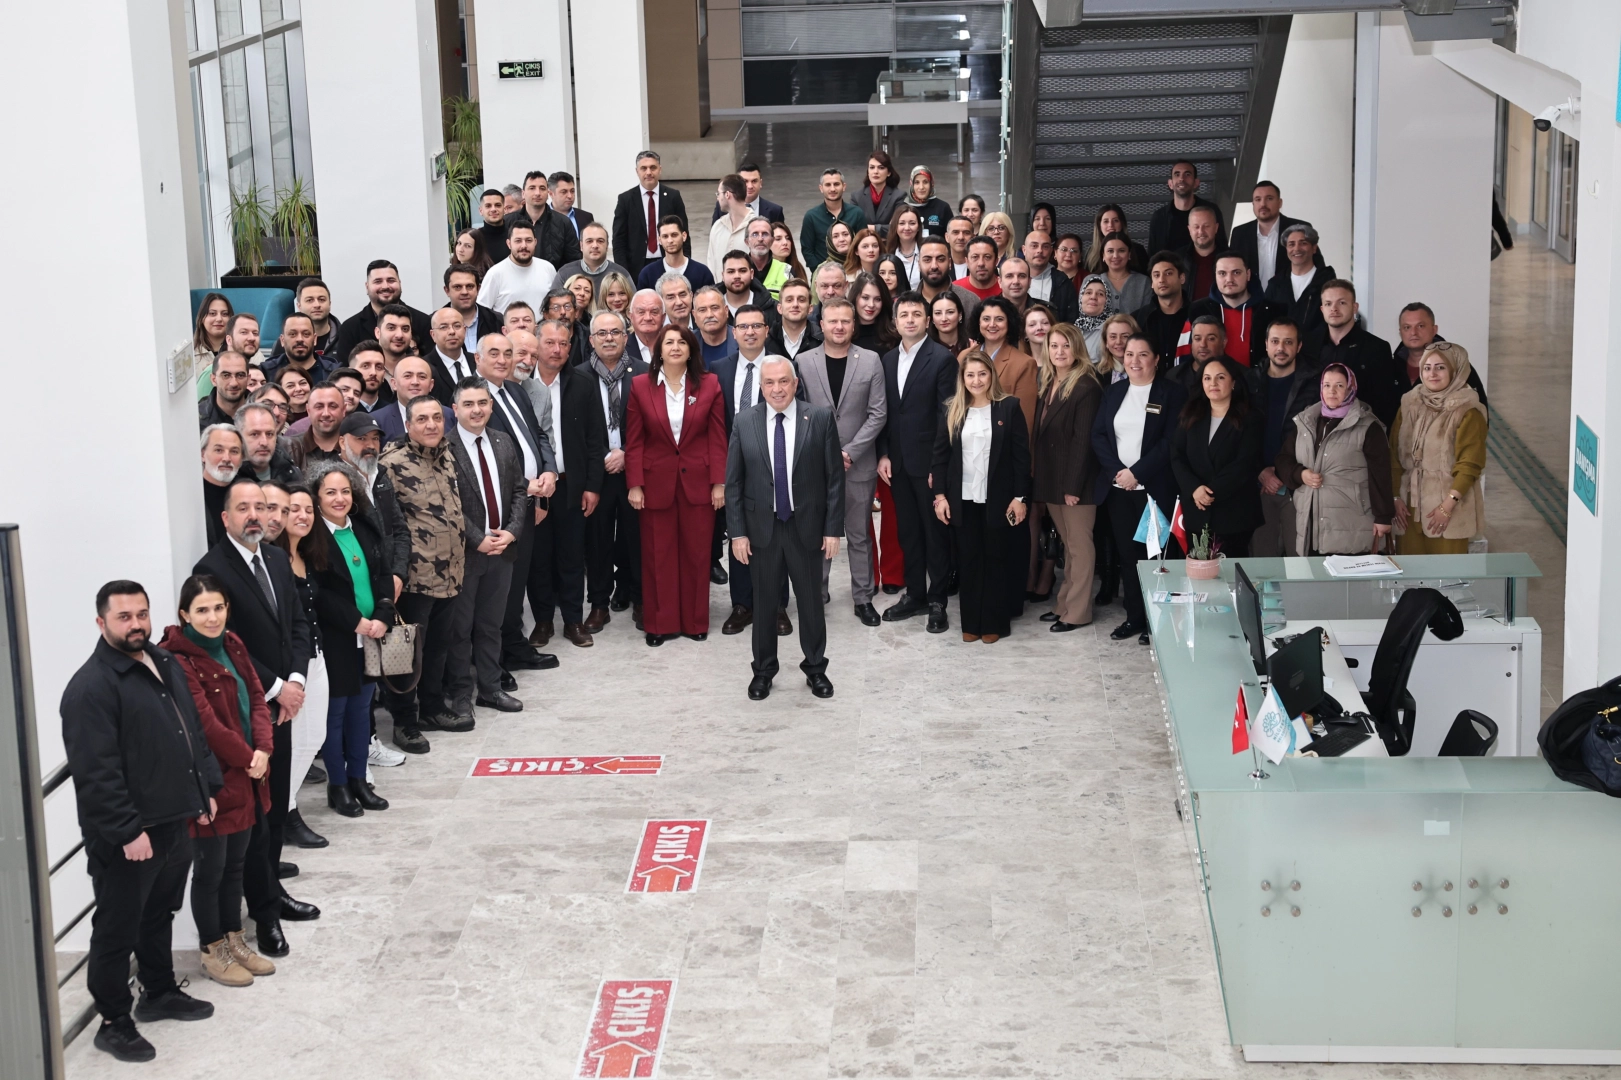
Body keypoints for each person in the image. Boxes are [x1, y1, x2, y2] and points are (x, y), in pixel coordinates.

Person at [62, 581, 223, 1062]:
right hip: (129, 835)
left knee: (158, 914)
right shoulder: (90, 688)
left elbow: (191, 731)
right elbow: (96, 772)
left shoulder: (162, 661)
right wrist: (128, 830)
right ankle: (113, 1022)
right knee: (117, 929)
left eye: (142, 614)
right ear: (101, 623)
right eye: (124, 617)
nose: (136, 624)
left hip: (173, 818)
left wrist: (205, 789)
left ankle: (158, 991)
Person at [191, 477, 318, 953]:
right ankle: (263, 916)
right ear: (226, 518)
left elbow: (298, 624)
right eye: (243, 508)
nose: (254, 516)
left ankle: (272, 891)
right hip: (245, 708)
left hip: (283, 702)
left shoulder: (278, 559)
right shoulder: (213, 568)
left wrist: (296, 681)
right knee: (256, 818)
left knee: (277, 806)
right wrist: (277, 688)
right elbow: (227, 643)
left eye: (261, 507)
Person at [159, 576, 276, 988]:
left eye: (218, 608)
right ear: (184, 615)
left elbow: (257, 697)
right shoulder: (177, 660)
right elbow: (204, 724)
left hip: (248, 774)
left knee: (235, 866)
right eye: (202, 610)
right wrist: (249, 758)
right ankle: (213, 949)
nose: (212, 618)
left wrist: (264, 749)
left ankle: (234, 939)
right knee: (211, 870)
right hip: (213, 780)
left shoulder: (233, 644)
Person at [726, 358, 844, 699]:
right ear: (761, 387)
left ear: (795, 383)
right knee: (764, 605)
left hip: (805, 528)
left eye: (783, 381)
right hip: (761, 530)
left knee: (810, 603)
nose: (777, 389)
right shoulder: (744, 421)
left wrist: (832, 529)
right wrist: (737, 533)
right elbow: (734, 483)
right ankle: (763, 672)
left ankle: (816, 669)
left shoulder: (819, 418)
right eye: (769, 383)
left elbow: (834, 479)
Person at [625, 324, 727, 644]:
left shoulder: (709, 384)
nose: (675, 347)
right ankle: (660, 624)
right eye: (668, 342)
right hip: (654, 483)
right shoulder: (640, 385)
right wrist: (635, 484)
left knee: (697, 555)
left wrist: (719, 483)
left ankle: (695, 622)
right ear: (659, 350)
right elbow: (634, 441)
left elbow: (717, 438)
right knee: (658, 556)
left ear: (691, 350)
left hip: (699, 482)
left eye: (682, 342)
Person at [302, 461, 393, 815]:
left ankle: (359, 780)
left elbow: (382, 574)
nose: (339, 499)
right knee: (335, 715)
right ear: (316, 497)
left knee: (362, 712)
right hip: (338, 638)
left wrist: (382, 615)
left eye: (344, 491)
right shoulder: (312, 537)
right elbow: (319, 593)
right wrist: (356, 621)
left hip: (372, 635)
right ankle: (337, 785)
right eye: (330, 492)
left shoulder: (364, 528)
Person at [375, 395, 466, 748]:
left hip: (450, 573)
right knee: (405, 654)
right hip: (413, 578)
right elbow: (389, 527)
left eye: (436, 418)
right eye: (422, 419)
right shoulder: (391, 463)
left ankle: (431, 708)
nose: (431, 425)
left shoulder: (447, 455)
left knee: (438, 648)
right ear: (408, 425)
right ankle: (404, 722)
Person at [797, 297, 887, 623]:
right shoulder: (803, 361)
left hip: (858, 464)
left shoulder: (871, 360)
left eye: (845, 321)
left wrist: (849, 452)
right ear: (821, 325)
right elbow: (799, 413)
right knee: (818, 534)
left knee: (859, 535)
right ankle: (816, 593)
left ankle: (863, 598)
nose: (839, 327)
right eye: (832, 321)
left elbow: (878, 414)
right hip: (816, 466)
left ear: (853, 325)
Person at [1091, 334, 1186, 642]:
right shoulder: (1114, 391)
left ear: (1156, 359)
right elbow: (1099, 435)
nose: (1134, 360)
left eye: (1143, 354)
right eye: (1130, 354)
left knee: (1155, 558)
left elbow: (1170, 442)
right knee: (1128, 555)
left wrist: (1137, 473)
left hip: (1154, 490)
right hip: (1119, 490)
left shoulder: (1172, 393)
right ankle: (1134, 617)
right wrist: (1118, 473)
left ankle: (1156, 622)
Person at [444, 376, 529, 718]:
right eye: (468, 404)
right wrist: (477, 539)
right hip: (465, 555)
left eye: (482, 403)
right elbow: (447, 503)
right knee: (460, 629)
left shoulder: (503, 441)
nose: (476, 410)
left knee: (491, 625)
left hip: (502, 551)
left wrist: (512, 532)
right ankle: (461, 694)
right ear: (455, 409)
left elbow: (519, 490)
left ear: (491, 406)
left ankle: (491, 689)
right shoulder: (445, 448)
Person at [932, 351, 1031, 643]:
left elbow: (1021, 458)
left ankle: (994, 624)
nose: (976, 380)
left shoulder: (1009, 407)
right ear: (962, 379)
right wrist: (940, 496)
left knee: (996, 559)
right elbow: (940, 456)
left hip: (999, 499)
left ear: (992, 375)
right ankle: (971, 623)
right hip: (962, 499)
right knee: (968, 560)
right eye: (970, 375)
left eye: (982, 374)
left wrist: (1020, 497)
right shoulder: (952, 408)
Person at [711, 307, 796, 636]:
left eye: (756, 326)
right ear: (733, 333)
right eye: (742, 326)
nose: (749, 332)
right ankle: (742, 604)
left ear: (766, 330)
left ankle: (777, 605)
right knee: (739, 530)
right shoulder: (719, 369)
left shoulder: (781, 367)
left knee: (777, 533)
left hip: (774, 461)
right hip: (733, 463)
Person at [523, 320, 608, 648]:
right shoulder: (520, 385)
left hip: (571, 485)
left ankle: (573, 620)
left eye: (563, 344)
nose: (557, 350)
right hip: (534, 488)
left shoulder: (583, 384)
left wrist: (592, 486)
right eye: (550, 343)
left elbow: (595, 440)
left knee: (572, 556)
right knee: (538, 558)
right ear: (537, 345)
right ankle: (543, 621)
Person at [878, 291, 959, 631]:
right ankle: (915, 595)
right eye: (904, 315)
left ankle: (938, 600)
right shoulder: (886, 360)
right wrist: (883, 453)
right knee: (908, 532)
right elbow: (884, 412)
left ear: (927, 321)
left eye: (916, 314)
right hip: (897, 463)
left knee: (935, 534)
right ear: (895, 322)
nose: (909, 320)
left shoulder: (942, 359)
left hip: (928, 465)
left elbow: (946, 417)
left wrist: (937, 468)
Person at [270, 486, 342, 845]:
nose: (302, 516)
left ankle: (284, 807)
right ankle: (285, 812)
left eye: (308, 510)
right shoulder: (273, 560)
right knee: (295, 742)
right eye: (293, 509)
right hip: (290, 666)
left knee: (315, 737)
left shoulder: (309, 554)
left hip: (316, 655)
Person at [1278, 363, 1393, 556]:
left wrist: (1383, 516)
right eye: (1327, 385)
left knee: (1348, 575)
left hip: (1351, 525)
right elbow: (1283, 459)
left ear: (1350, 388)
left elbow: (1380, 473)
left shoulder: (1368, 426)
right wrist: (1301, 474)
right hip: (1311, 524)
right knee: (1316, 574)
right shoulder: (1306, 422)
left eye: (1339, 385)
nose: (1332, 391)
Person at [1032, 324, 1104, 631]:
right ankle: (1064, 605)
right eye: (1054, 346)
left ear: (1077, 348)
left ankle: (1078, 612)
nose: (1059, 352)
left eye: (1066, 345)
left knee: (1079, 548)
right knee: (1068, 544)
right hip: (1052, 478)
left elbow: (1083, 441)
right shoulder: (1049, 380)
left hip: (1077, 484)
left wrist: (1073, 486)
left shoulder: (1086, 385)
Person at [582, 311, 649, 629]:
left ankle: (640, 598)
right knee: (597, 541)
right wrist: (602, 459)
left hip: (636, 471)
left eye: (615, 332)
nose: (608, 338)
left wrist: (627, 454)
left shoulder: (645, 373)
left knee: (637, 538)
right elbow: (576, 431)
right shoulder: (578, 376)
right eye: (602, 333)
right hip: (597, 474)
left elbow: (654, 425)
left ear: (626, 336)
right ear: (591, 340)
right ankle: (598, 603)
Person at [1390, 342, 1487, 555]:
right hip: (1408, 510)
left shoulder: (1468, 411)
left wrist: (1447, 506)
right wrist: (1396, 497)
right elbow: (1393, 456)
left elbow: (1470, 465)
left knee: (1448, 573)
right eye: (1427, 367)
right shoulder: (1409, 404)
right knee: (1411, 572)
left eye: (1440, 367)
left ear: (1456, 371)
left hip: (1449, 509)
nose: (1432, 374)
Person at [1172, 355, 1264, 557]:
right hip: (1195, 509)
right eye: (1207, 378)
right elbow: (1177, 456)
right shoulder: (1190, 414)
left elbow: (1244, 464)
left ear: (1233, 382)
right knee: (1198, 570)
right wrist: (1194, 489)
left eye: (1220, 377)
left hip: (1233, 512)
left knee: (1229, 571)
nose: (1213, 383)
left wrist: (1209, 494)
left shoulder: (1251, 418)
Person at [1253, 318, 1319, 557]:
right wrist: (1260, 470)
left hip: (1298, 486)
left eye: (1288, 342)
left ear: (1299, 346)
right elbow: (1240, 435)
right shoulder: (1250, 381)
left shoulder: (1315, 383)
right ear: (1266, 344)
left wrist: (1285, 472)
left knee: (1299, 564)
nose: (1281, 348)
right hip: (1258, 487)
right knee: (1262, 565)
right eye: (1275, 341)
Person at [1304, 280, 1400, 426]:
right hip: (1314, 429)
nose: (1334, 309)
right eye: (1328, 304)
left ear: (1355, 307)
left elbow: (1385, 402)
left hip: (1359, 431)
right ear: (1322, 309)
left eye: (1341, 303)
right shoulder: (1308, 346)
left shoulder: (1377, 348)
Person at [1185, 251, 1273, 369]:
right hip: (1210, 379)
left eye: (1236, 272)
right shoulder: (1198, 310)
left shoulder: (1271, 311)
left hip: (1258, 379)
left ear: (1248, 274)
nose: (1229, 279)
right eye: (1222, 273)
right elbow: (1186, 355)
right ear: (1215, 276)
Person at [334, 260, 433, 365]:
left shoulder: (423, 322)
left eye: (391, 280)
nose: (385, 286)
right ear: (367, 287)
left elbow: (431, 365)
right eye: (378, 281)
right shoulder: (349, 328)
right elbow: (345, 370)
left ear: (400, 284)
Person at [613, 150, 689, 281]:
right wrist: (623, 273)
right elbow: (619, 239)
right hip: (636, 268)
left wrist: (685, 265)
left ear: (660, 169)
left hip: (669, 263)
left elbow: (684, 234)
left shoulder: (673, 196)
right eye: (644, 168)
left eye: (653, 167)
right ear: (637, 171)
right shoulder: (625, 199)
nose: (648, 172)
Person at [1393, 302, 1487, 404]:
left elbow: (1478, 406)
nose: (1413, 332)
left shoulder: (1456, 366)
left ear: (1434, 330)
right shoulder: (1390, 367)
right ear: (1400, 332)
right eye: (1407, 327)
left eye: (1420, 326)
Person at [972, 296, 1039, 436]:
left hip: (1002, 443)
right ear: (978, 322)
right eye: (986, 319)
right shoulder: (964, 357)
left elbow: (1024, 422)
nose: (992, 324)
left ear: (1009, 322)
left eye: (999, 319)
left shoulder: (1024, 364)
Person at [1229, 181, 1311, 294]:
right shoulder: (1240, 233)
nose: (1263, 204)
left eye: (1269, 198)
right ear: (1253, 204)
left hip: (1291, 299)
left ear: (1280, 203)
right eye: (1258, 199)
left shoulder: (1299, 228)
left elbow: (1317, 267)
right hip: (1252, 300)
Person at [1262, 223, 1337, 343]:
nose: (1296, 249)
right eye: (1291, 244)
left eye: (1303, 243)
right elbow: (1265, 321)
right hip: (1282, 350)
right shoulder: (1275, 284)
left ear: (1314, 248)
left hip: (1318, 350)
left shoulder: (1328, 283)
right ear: (1286, 249)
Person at [478, 220, 558, 316]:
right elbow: (483, 311)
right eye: (518, 241)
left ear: (535, 242)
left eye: (528, 240)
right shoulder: (495, 274)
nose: (524, 246)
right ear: (509, 244)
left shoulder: (548, 268)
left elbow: (557, 303)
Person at [505, 169, 582, 268]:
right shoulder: (508, 222)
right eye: (532, 188)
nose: (537, 193)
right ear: (523, 193)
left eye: (542, 188)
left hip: (554, 277)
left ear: (548, 193)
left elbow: (573, 261)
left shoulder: (563, 223)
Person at [1148, 160, 1224, 255]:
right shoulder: (1159, 217)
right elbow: (1153, 256)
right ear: (1170, 184)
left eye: (1187, 174)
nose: (1181, 178)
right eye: (1177, 174)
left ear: (1196, 182)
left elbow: (1222, 248)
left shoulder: (1211, 211)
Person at [1133, 251, 1190, 372]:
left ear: (1182, 278)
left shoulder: (1196, 314)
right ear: (1152, 283)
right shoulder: (1138, 318)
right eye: (1156, 275)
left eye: (1168, 273)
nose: (1162, 280)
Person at [801, 168, 867, 268]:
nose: (832, 189)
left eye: (836, 184)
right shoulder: (811, 216)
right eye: (828, 185)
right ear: (821, 188)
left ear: (844, 186)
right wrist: (819, 271)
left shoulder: (857, 213)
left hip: (853, 271)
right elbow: (807, 250)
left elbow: (864, 244)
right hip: (823, 273)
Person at [636, 215, 714, 291]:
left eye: (674, 235)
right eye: (665, 236)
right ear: (659, 240)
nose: (670, 240)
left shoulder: (702, 273)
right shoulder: (648, 274)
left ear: (684, 236)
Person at [261, 312, 336, 388]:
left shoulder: (334, 372)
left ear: (315, 339)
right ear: (282, 340)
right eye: (293, 334)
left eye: (306, 334)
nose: (300, 339)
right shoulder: (265, 372)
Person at [236, 403, 300, 486]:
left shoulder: (290, 472)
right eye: (255, 434)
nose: (264, 442)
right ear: (238, 436)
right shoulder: (228, 477)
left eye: (269, 434)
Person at [202, 424, 244, 548]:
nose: (226, 458)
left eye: (234, 451)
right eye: (219, 450)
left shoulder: (249, 494)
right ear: (202, 454)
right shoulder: (188, 496)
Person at [1023, 230, 1079, 323]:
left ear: (1051, 251)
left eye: (1045, 246)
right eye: (1034, 246)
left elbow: (1071, 321)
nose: (1040, 250)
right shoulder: (1013, 279)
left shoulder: (1063, 282)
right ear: (1024, 250)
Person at [288, 383, 346, 468]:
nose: (326, 413)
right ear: (308, 410)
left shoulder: (354, 447)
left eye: (333, 406)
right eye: (319, 407)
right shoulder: (291, 448)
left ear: (344, 410)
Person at [710, 160, 785, 224]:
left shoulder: (775, 211)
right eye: (745, 181)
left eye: (754, 181)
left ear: (760, 183)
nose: (750, 186)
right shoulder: (723, 206)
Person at [1084, 205, 1149, 275]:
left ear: (1122, 224)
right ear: (1099, 225)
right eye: (1106, 221)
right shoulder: (1091, 253)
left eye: (1115, 220)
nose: (1110, 225)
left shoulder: (1138, 250)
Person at [1178, 204, 1223, 303]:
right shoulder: (1177, 259)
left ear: (1216, 228)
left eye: (1206, 226)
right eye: (1196, 227)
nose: (1201, 231)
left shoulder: (1229, 258)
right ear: (1189, 230)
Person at [1098, 232, 1151, 316]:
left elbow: (1147, 317)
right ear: (1103, 255)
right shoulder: (1092, 281)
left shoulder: (1144, 282)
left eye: (1121, 251)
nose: (1115, 256)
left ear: (1129, 254)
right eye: (1110, 251)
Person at [198, 350, 252, 430]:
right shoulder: (197, 418)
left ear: (248, 379)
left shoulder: (263, 413)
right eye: (226, 375)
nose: (234, 383)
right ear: (213, 380)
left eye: (240, 375)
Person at [849, 272, 898, 354]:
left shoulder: (895, 337)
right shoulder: (843, 334)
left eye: (878, 299)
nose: (871, 305)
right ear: (855, 297)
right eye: (865, 298)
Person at [860, 150, 905, 238]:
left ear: (889, 172)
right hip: (865, 245)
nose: (875, 171)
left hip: (890, 245)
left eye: (881, 168)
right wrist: (884, 228)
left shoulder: (899, 196)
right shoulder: (857, 197)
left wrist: (869, 228)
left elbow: (897, 228)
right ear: (868, 171)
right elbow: (853, 227)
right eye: (872, 167)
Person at [953, 236, 1002, 310]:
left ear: (996, 261)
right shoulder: (954, 290)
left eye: (987, 257)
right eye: (975, 257)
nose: (981, 263)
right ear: (967, 261)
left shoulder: (1007, 289)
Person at [903, 165, 953, 236]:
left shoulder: (943, 207)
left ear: (931, 184)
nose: (921, 187)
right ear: (912, 185)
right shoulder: (903, 207)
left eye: (925, 182)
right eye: (917, 182)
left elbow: (951, 235)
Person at [692, 285, 736, 365]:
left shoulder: (741, 339)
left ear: (726, 311)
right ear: (694, 315)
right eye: (702, 310)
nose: (709, 315)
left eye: (715, 308)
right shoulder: (687, 342)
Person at [886, 205, 924, 288]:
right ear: (895, 226)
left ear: (918, 227)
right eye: (902, 223)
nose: (907, 228)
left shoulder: (926, 252)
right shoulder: (887, 254)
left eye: (912, 223)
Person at [548, 169, 594, 236]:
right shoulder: (541, 217)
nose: (570, 196)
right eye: (564, 192)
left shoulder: (586, 217)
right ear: (551, 194)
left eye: (572, 191)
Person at [768, 222, 810, 296]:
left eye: (788, 238)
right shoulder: (763, 269)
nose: (785, 242)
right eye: (778, 239)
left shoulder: (797, 267)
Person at [627, 288, 667, 365]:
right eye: (641, 312)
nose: (648, 318)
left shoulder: (675, 345)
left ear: (663, 317)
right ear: (631, 317)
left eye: (654, 312)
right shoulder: (621, 349)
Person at [473, 188, 510, 263]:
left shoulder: (514, 236)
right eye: (488, 206)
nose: (493, 209)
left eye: (498, 205)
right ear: (481, 211)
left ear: (504, 209)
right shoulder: (474, 239)